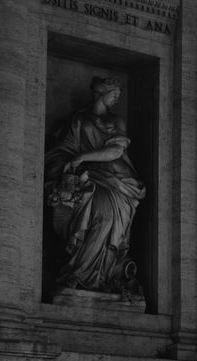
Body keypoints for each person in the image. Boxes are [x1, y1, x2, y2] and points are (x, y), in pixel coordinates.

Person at [44, 76, 146, 293]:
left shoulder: (117, 121)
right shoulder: (78, 121)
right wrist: (69, 167)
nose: (117, 99)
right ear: (101, 92)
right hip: (92, 179)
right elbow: (62, 150)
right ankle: (80, 274)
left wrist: (82, 157)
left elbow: (117, 151)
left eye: (119, 96)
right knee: (101, 218)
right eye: (114, 94)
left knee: (112, 224)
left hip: (118, 181)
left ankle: (102, 276)